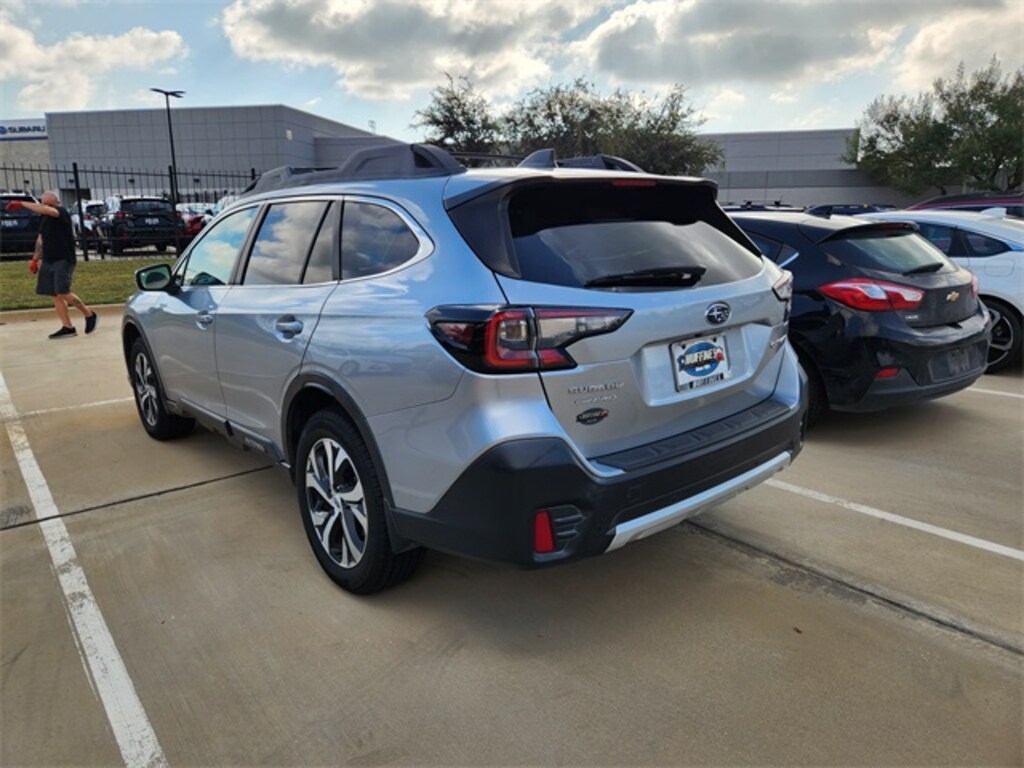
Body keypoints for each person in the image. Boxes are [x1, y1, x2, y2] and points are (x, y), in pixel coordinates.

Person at [5, 192, 97, 339]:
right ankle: (67, 327)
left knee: (62, 291)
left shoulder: (60, 212)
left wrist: (22, 204)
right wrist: (35, 259)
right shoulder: (44, 218)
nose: (44, 207)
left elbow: (50, 211)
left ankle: (89, 314)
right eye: (43, 204)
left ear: (56, 202)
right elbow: (40, 240)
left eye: (47, 204)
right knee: (54, 295)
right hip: (48, 259)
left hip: (63, 259)